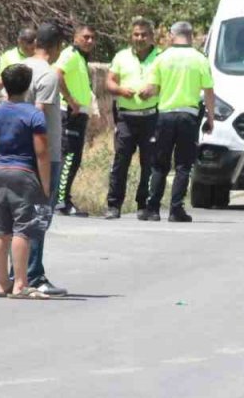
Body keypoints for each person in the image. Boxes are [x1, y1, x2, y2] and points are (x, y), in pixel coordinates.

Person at [0, 63, 53, 299]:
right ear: (28, 86)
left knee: (0, 230)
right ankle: (21, 284)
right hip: (24, 173)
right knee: (23, 229)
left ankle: (2, 283)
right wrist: (45, 184)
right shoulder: (34, 114)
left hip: (2, 170)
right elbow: (42, 152)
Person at [140, 21, 215, 222]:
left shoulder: (162, 58)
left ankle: (153, 208)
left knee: (159, 165)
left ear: (173, 35)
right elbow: (208, 91)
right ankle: (176, 209)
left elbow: (152, 89)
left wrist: (143, 94)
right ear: (190, 36)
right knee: (183, 165)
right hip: (188, 117)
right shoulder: (200, 59)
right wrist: (211, 118)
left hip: (165, 116)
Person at [22, 23, 69, 296]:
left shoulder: (18, 68)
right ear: (57, 47)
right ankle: (34, 275)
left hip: (18, 151)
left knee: (21, 216)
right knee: (40, 215)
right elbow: (37, 117)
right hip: (44, 154)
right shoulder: (48, 75)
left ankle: (18, 272)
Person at [104, 17, 160, 220]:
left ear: (151, 36)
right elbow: (109, 81)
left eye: (144, 34)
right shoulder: (121, 57)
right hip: (126, 118)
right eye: (136, 34)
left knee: (149, 163)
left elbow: (168, 82)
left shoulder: (161, 57)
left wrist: (154, 88)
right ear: (131, 35)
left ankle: (144, 205)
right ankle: (113, 205)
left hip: (151, 118)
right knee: (120, 162)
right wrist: (119, 89)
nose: (140, 38)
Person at [53, 24, 96, 216]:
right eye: (85, 37)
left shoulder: (81, 58)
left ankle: (62, 199)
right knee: (69, 156)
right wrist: (71, 101)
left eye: (92, 38)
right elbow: (57, 75)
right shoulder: (69, 54)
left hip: (80, 114)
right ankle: (60, 202)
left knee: (74, 157)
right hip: (70, 113)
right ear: (76, 38)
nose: (89, 41)